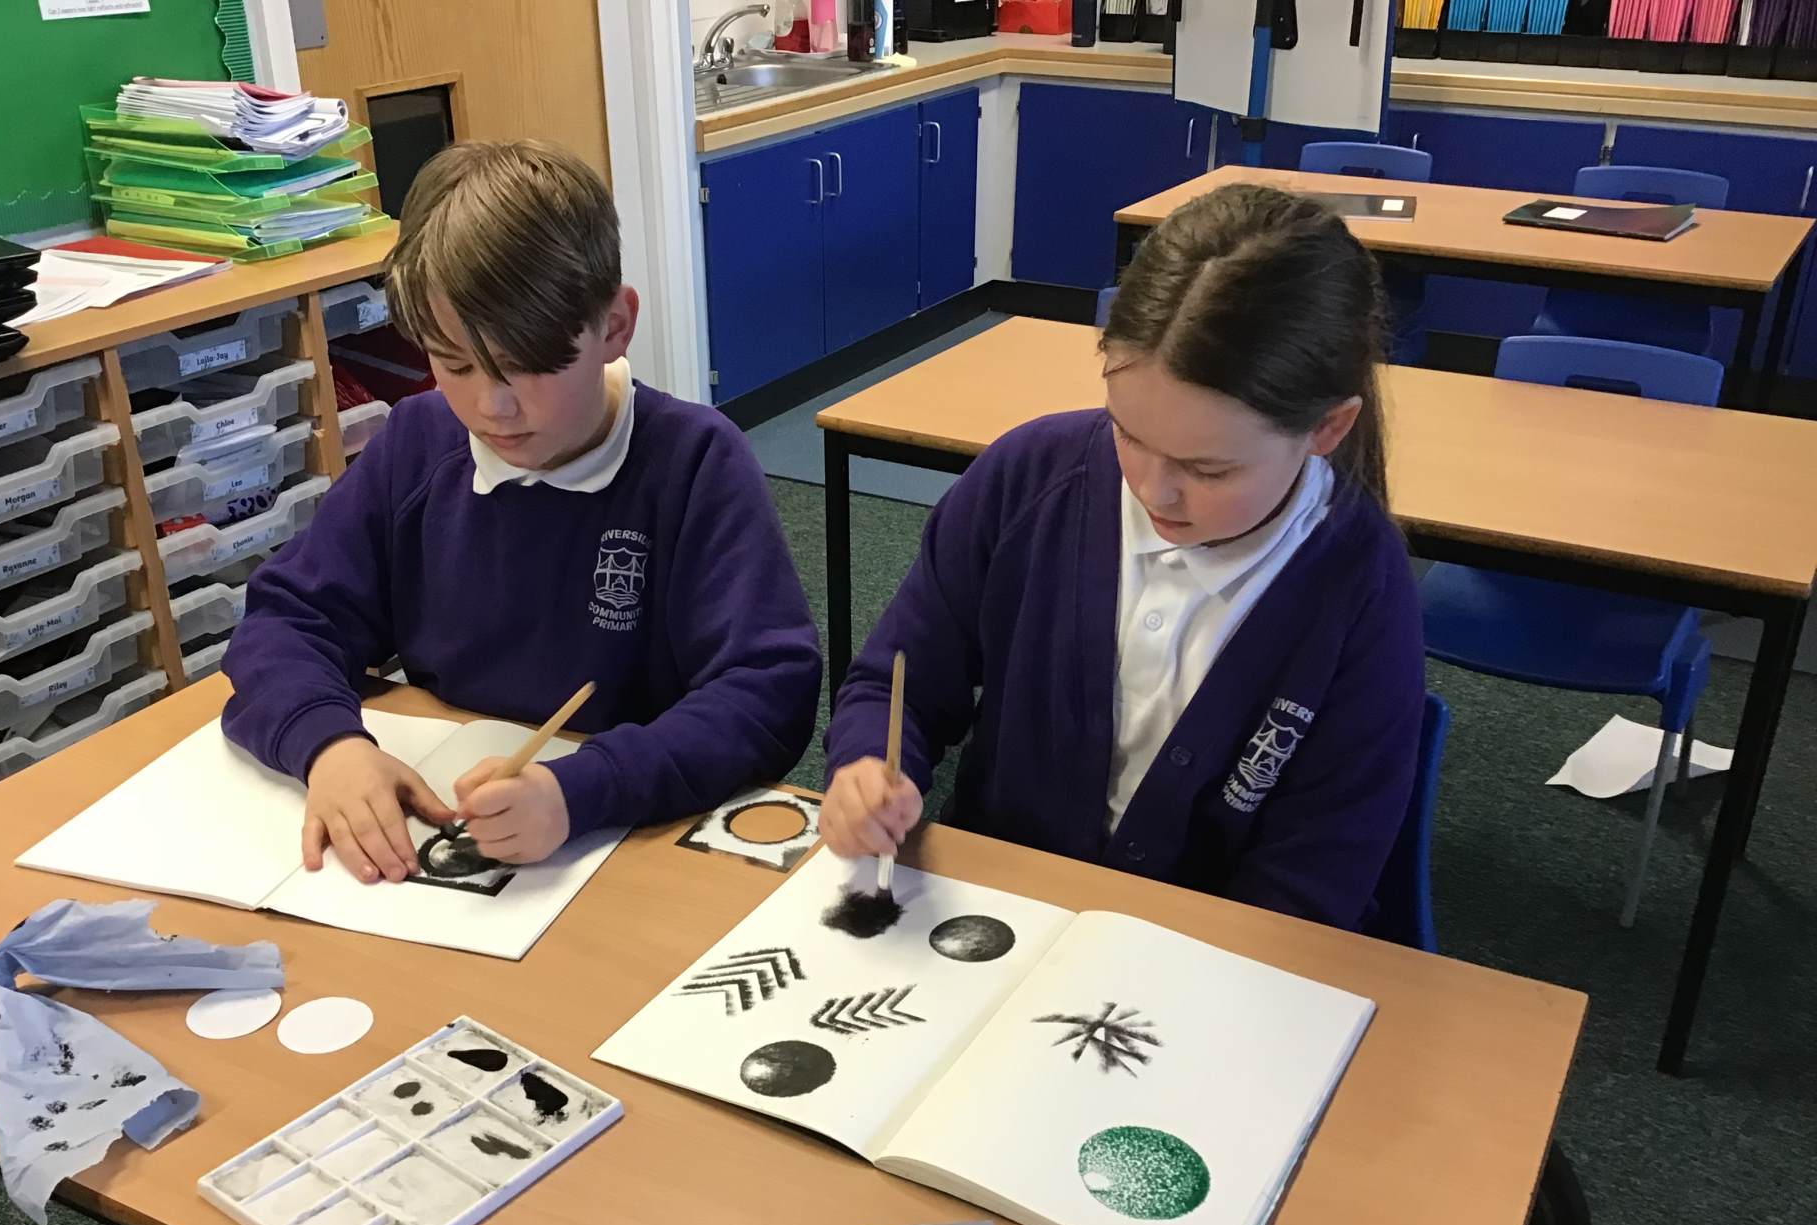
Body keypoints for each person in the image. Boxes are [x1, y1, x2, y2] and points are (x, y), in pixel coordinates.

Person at [821, 183, 1423, 934]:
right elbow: (898, 683)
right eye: (1127, 433)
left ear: (1328, 428)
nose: (1153, 489)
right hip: (996, 912)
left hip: (1208, 954)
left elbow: (1316, 876)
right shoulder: (1028, 478)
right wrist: (866, 769)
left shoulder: (1360, 585)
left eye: (1208, 469)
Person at [222, 140, 820, 883]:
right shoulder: (417, 444)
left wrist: (584, 789)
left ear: (614, 326)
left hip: (631, 844)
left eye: (530, 366)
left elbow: (767, 692)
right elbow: (287, 619)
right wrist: (327, 745)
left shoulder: (695, 463)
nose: (491, 406)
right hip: (459, 819)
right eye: (455, 365)